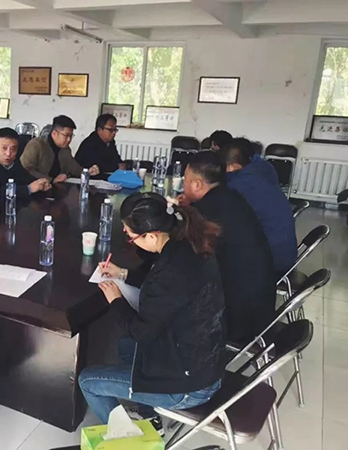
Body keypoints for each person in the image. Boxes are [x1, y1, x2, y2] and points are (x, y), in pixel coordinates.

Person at [78, 193, 225, 426]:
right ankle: (149, 416)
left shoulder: (172, 270)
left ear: (152, 235)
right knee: (126, 346)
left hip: (188, 386)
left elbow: (140, 331)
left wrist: (116, 299)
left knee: (88, 381)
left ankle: (126, 437)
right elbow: (161, 288)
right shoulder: (185, 246)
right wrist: (122, 274)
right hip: (201, 361)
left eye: (130, 235)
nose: (128, 237)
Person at [179, 151, 276, 342]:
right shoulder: (230, 197)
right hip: (260, 303)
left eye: (185, 180)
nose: (184, 184)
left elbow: (184, 252)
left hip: (238, 317)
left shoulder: (207, 212)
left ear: (197, 184)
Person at [220, 138, 297, 276]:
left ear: (234, 167)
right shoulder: (258, 173)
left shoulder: (240, 185)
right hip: (283, 253)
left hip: (272, 263)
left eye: (222, 168)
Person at [20, 115, 99, 182]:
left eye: (71, 136)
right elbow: (26, 170)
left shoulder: (66, 150)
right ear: (54, 133)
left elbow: (73, 168)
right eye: (66, 135)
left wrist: (88, 171)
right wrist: (51, 180)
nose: (69, 139)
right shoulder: (36, 145)